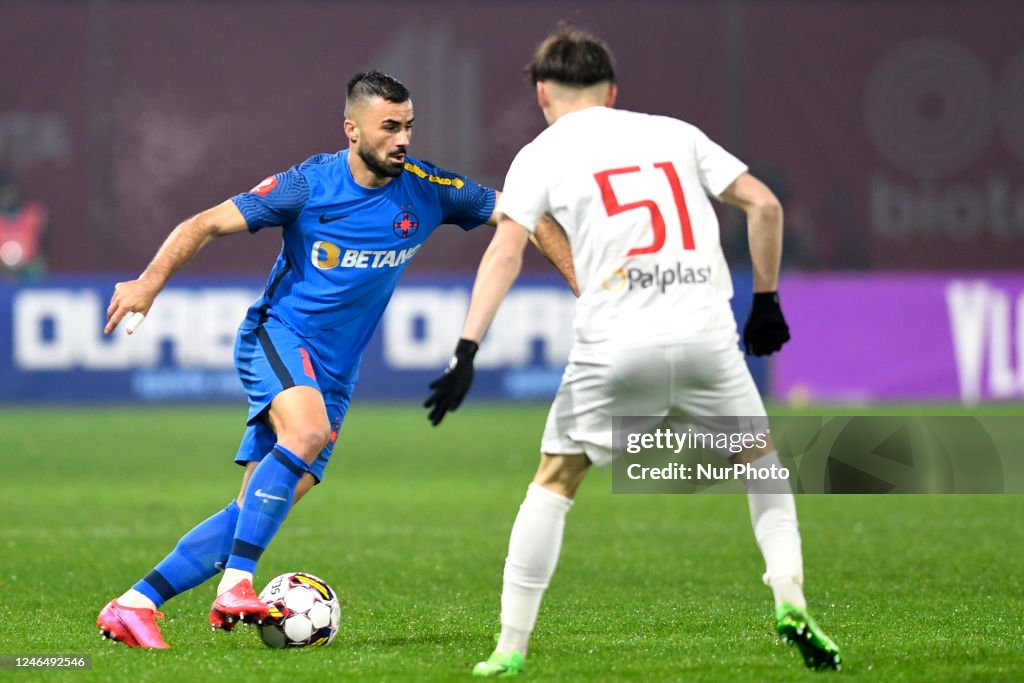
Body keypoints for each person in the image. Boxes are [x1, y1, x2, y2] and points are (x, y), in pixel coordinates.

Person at [96, 70, 573, 649]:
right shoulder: (308, 185)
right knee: (308, 432)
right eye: (389, 127)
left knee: (251, 513)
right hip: (278, 335)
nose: (403, 139)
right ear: (352, 129)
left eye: (409, 127)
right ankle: (237, 584)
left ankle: (134, 604)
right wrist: (150, 281)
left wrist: (587, 291)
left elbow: (531, 217)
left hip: (335, 373)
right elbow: (204, 224)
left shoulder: (430, 188)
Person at [424, 28, 842, 677]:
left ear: (542, 93)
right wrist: (765, 300)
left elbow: (507, 248)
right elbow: (763, 204)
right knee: (761, 464)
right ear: (613, 91)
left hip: (614, 343)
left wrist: (466, 348)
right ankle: (790, 597)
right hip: (706, 337)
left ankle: (510, 647)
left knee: (555, 480)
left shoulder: (540, 153)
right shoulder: (675, 133)